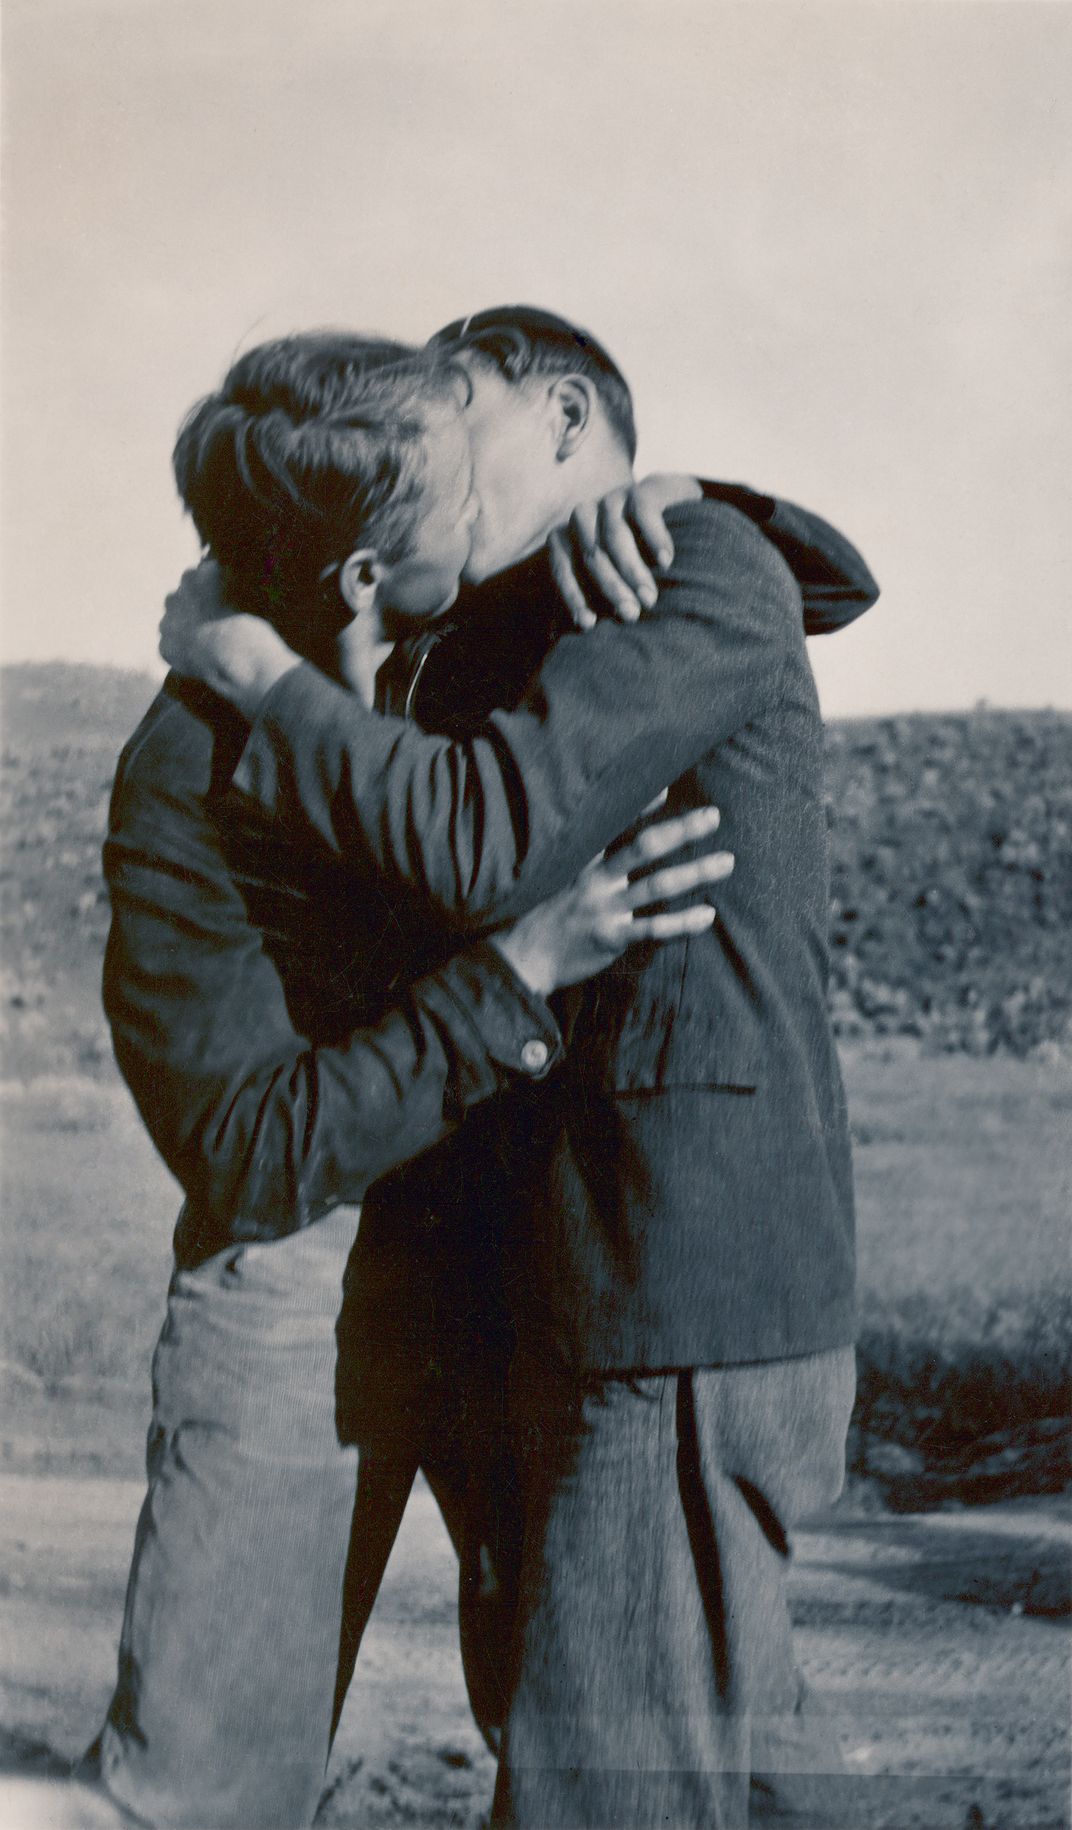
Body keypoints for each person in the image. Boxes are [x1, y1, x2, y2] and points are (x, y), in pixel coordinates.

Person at [162, 303, 880, 1828]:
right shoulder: (513, 622)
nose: (425, 447)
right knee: (712, 1758)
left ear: (565, 417)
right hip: (580, 1284)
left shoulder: (694, 564)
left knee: (605, 1775)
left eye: (456, 409)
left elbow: (484, 835)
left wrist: (251, 672)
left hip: (668, 1280)